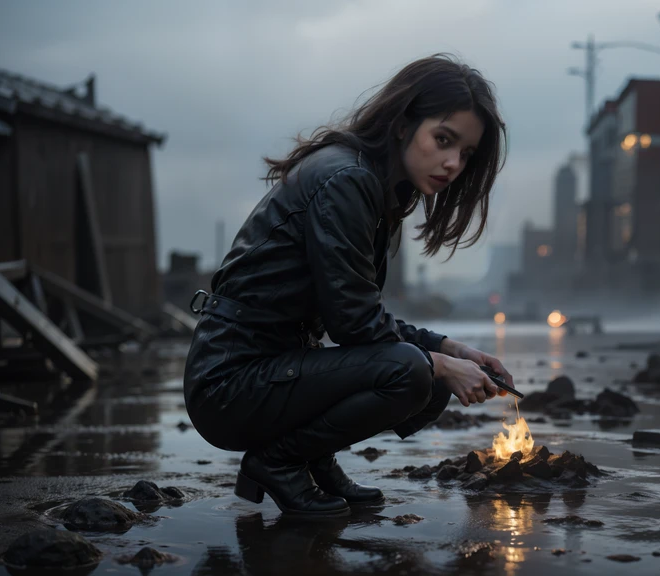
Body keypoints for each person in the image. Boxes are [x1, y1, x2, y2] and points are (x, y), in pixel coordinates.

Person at [183, 54, 512, 518]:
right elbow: (355, 325)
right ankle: (279, 461)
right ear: (402, 124)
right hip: (229, 382)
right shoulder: (348, 180)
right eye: (443, 140)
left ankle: (314, 460)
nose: (453, 162)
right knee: (414, 372)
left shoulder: (375, 187)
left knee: (428, 371)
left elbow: (358, 311)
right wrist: (437, 362)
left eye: (466, 153)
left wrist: (451, 349)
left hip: (270, 368)